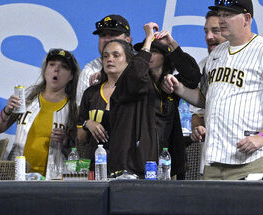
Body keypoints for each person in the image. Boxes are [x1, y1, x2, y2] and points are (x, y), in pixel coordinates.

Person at [163, 0, 263, 180]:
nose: (221, 20)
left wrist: (262, 138)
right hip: (214, 160)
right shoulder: (216, 54)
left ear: (247, 18)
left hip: (251, 159)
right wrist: (178, 88)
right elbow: (204, 99)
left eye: (228, 14)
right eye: (220, 14)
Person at [77, 29, 159, 178]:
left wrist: (148, 39)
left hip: (130, 169)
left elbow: (138, 73)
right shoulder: (91, 93)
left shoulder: (138, 90)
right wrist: (88, 123)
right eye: (106, 56)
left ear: (129, 61)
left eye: (116, 55)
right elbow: (81, 138)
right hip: (98, 169)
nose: (110, 59)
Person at [0, 48, 79, 175]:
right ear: (45, 70)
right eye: (52, 64)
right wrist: (7, 110)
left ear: (71, 76)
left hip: (54, 179)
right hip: (18, 175)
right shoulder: (27, 98)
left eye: (64, 67)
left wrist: (66, 142)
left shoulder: (74, 108)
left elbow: (80, 153)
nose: (56, 69)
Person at [135, 29, 200, 179]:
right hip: (141, 155)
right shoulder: (138, 82)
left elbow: (193, 75)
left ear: (165, 56)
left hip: (169, 156)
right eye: (146, 50)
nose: (149, 54)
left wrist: (172, 44)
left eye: (155, 51)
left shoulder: (171, 83)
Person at [190, 11, 228, 176]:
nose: (209, 36)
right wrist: (198, 128)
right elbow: (196, 114)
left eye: (215, 31)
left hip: (244, 159)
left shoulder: (253, 58)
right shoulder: (204, 65)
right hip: (211, 160)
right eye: (206, 31)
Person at [76, 15, 132, 107]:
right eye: (102, 35)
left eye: (113, 34)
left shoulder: (141, 64)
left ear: (127, 40)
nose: (106, 39)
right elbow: (81, 112)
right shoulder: (90, 71)